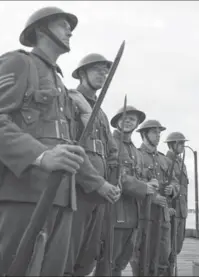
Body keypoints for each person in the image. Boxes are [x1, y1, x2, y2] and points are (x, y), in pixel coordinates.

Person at [0, 7, 119, 276]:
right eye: (62, 25)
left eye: (70, 27)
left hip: (63, 198)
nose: (70, 31)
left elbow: (70, 147)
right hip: (23, 193)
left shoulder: (62, 87)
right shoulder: (18, 63)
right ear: (41, 29)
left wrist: (98, 183)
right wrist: (42, 156)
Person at [66, 53, 120, 276]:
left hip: (101, 193)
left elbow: (112, 151)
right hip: (76, 190)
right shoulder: (70, 100)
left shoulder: (102, 112)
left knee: (88, 258)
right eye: (97, 69)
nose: (103, 74)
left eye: (105, 71)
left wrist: (112, 184)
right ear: (81, 73)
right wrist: (97, 182)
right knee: (67, 254)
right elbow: (68, 146)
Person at [108, 106, 159, 276]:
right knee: (107, 262)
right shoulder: (111, 142)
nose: (129, 120)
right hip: (114, 214)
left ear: (137, 124)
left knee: (121, 264)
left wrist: (150, 183)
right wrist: (144, 187)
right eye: (125, 118)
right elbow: (115, 176)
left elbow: (139, 176)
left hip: (134, 217)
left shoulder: (135, 152)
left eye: (133, 118)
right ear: (117, 122)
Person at [131, 119, 180, 276]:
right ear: (144, 134)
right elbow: (133, 182)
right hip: (144, 216)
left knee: (163, 258)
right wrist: (152, 197)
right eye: (154, 132)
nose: (158, 136)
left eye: (159, 133)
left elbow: (176, 182)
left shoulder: (164, 159)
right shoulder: (136, 155)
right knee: (142, 258)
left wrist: (172, 189)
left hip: (163, 216)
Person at [164, 132, 189, 257]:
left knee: (177, 246)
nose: (183, 146)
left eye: (183, 143)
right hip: (172, 209)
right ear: (172, 144)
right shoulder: (166, 161)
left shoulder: (181, 163)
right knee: (168, 248)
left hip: (181, 211)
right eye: (180, 143)